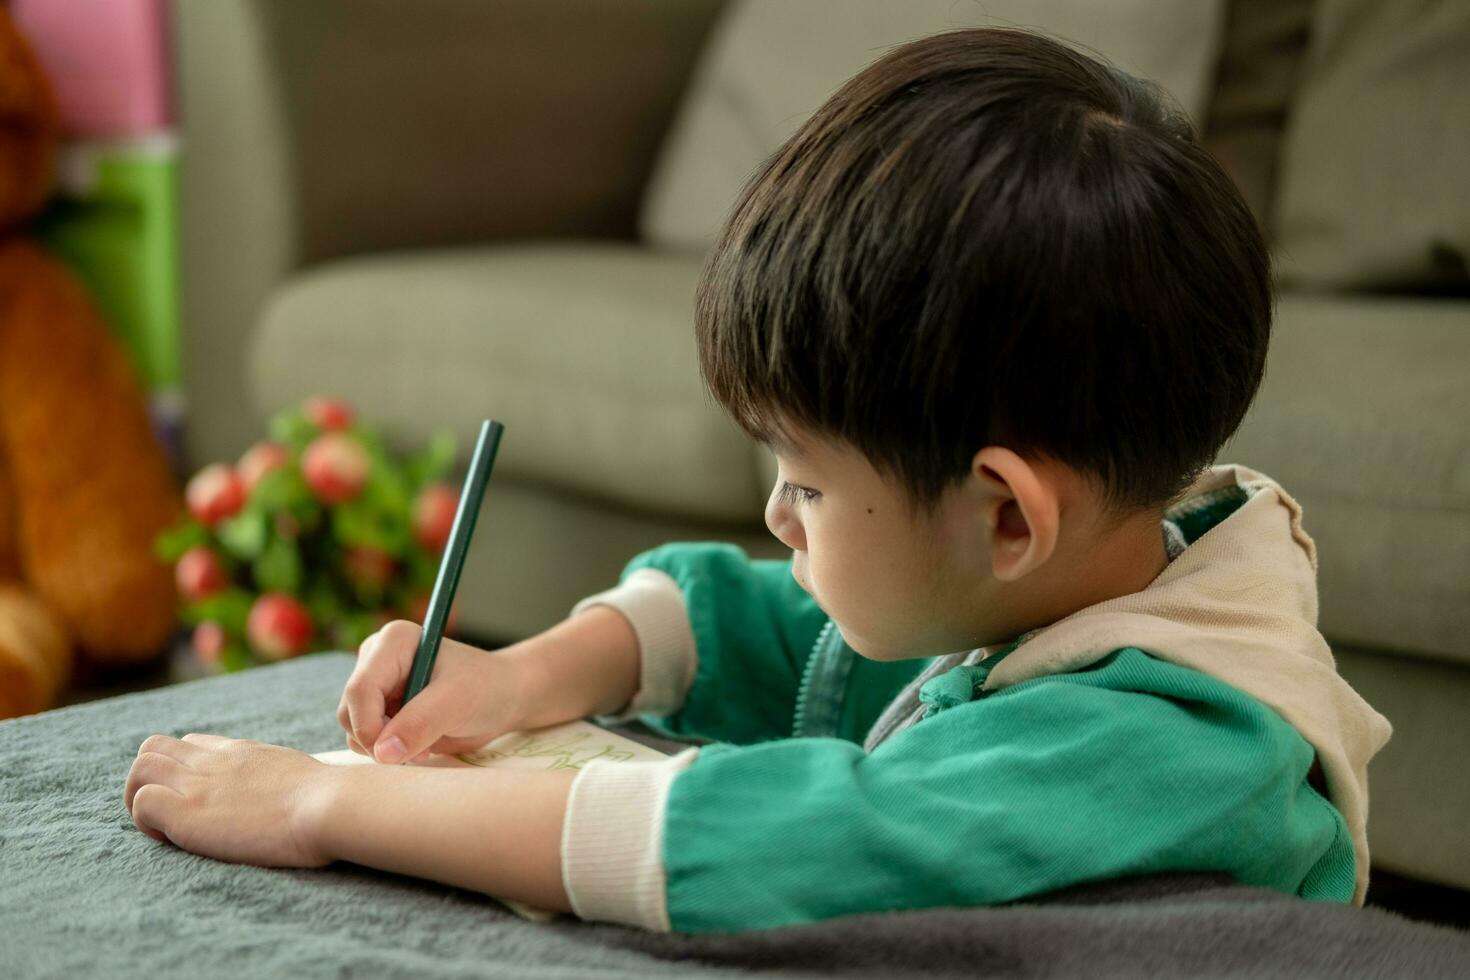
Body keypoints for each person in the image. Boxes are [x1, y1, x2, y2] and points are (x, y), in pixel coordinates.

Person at [123, 27, 1391, 934]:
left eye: (811, 487)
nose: (777, 516)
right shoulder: (1083, 575)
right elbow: (783, 619)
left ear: (1006, 511)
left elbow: (772, 830)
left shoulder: (1165, 745)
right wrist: (516, 676)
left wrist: (320, 805)